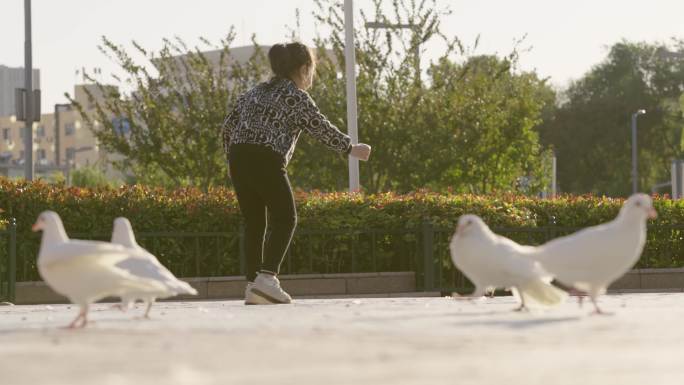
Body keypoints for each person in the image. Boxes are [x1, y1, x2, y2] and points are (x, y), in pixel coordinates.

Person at [222, 42, 372, 305]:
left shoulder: (253, 92)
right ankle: (267, 279)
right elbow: (318, 126)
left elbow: (228, 126)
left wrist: (234, 159)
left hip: (238, 156)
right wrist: (350, 148)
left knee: (254, 223)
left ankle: (252, 285)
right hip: (266, 157)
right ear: (304, 68)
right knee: (285, 217)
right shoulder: (295, 96)